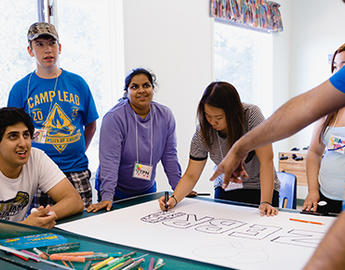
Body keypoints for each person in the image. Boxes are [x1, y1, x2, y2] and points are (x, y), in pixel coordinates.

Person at [209, 51, 345, 270]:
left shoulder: (251, 113)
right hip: (330, 196)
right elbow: (305, 107)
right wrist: (240, 148)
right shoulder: (331, 106)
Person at [7, 22, 99, 208]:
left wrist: (76, 148)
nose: (47, 50)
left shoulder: (78, 83)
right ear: (30, 50)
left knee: (82, 224)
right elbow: (11, 134)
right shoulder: (20, 89)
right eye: (39, 44)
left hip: (76, 170)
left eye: (51, 43)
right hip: (37, 173)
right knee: (41, 229)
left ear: (60, 47)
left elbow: (90, 125)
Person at [158, 82, 280, 216]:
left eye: (219, 118)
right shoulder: (203, 131)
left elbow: (267, 161)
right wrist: (173, 200)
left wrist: (266, 202)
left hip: (260, 188)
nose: (212, 122)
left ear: (233, 113)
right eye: (208, 116)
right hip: (226, 187)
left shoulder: (251, 115)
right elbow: (191, 175)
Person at [87, 68, 181, 212]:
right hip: (115, 192)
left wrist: (179, 190)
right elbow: (109, 161)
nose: (141, 90)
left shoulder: (165, 115)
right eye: (134, 87)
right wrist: (107, 197)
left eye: (146, 85)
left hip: (147, 189)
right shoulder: (114, 118)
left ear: (153, 88)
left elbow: (170, 156)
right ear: (126, 92)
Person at [0, 107, 84, 229]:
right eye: (13, 136)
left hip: (15, 241)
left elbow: (74, 201)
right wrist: (25, 227)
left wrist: (42, 218)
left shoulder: (36, 157)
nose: (23, 144)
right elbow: (26, 227)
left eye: (26, 135)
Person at [302, 43, 345, 214]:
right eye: (335, 66)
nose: (337, 72)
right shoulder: (327, 109)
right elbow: (314, 152)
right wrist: (313, 191)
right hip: (326, 196)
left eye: (343, 65)